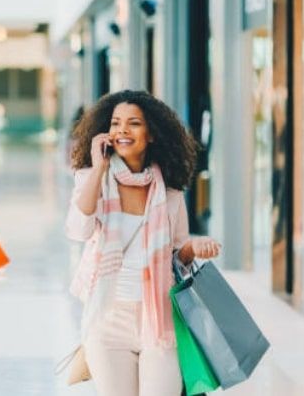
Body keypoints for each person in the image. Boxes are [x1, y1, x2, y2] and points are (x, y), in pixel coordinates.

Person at [66, 90, 221, 396]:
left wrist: (194, 247)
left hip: (159, 321)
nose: (122, 130)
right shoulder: (93, 180)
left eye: (134, 123)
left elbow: (178, 256)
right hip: (108, 320)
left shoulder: (171, 194)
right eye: (115, 123)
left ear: (151, 134)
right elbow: (78, 229)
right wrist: (98, 168)